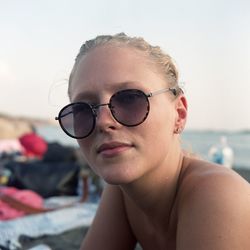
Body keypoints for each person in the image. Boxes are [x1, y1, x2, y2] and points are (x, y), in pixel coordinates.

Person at [55, 33, 250, 249]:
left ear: (179, 114)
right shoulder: (122, 193)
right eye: (83, 109)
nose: (102, 121)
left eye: (130, 98)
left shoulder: (219, 194)